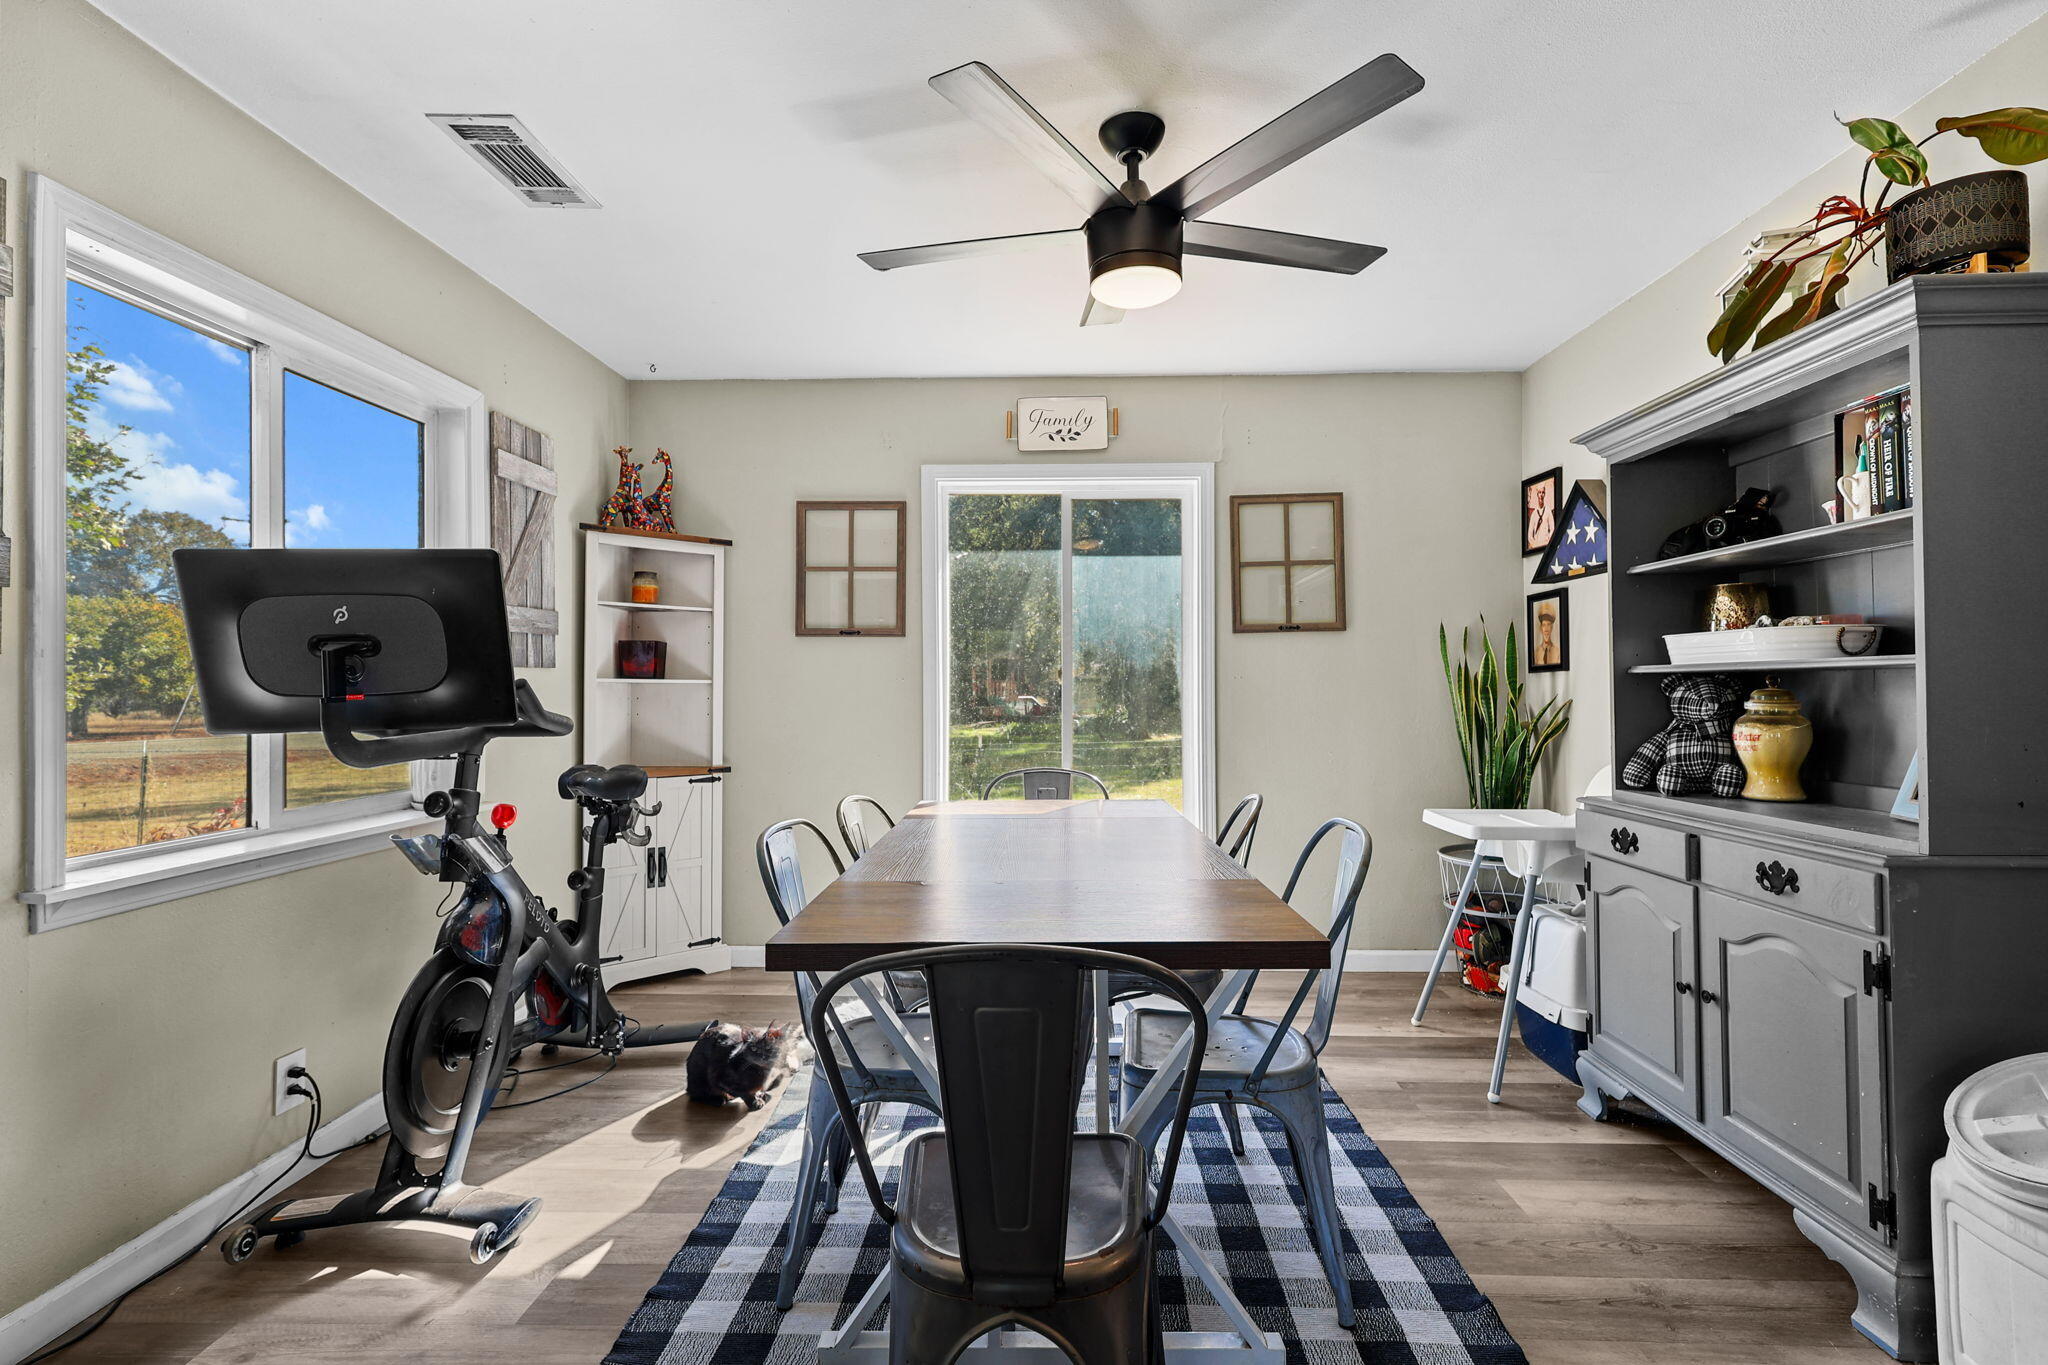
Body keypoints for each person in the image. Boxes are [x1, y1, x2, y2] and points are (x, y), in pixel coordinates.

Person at [1524, 479, 1556, 553]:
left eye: (1543, 493)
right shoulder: (1534, 514)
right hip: (1536, 545)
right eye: (1539, 493)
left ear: (1545, 494)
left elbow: (1552, 529)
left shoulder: (1548, 511)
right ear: (1537, 494)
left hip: (1546, 543)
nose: (1541, 495)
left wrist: (1548, 541)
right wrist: (1535, 545)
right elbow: (1529, 535)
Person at [1533, 601, 1561, 667]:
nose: (1546, 628)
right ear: (1541, 628)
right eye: (1544, 625)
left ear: (1552, 627)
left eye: (1548, 624)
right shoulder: (1536, 652)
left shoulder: (1557, 651)